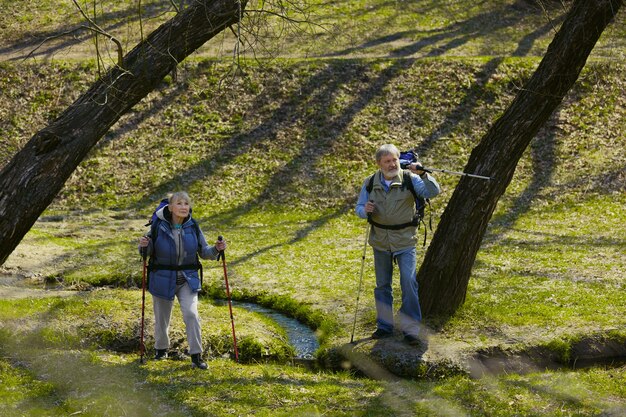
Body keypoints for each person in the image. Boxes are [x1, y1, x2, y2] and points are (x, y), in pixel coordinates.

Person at [355, 144, 441, 346]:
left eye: (394, 160)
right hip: (380, 241)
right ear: (379, 164)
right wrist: (364, 209)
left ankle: (411, 330)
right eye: (387, 161)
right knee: (382, 286)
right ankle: (384, 327)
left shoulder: (411, 179)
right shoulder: (370, 183)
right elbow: (359, 208)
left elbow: (433, 192)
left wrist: (425, 175)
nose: (392, 164)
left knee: (408, 283)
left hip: (405, 240)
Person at [138, 191, 225, 369]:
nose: (184, 207)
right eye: (179, 203)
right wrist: (143, 247)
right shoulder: (157, 226)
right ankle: (161, 351)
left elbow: (204, 252)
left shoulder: (193, 226)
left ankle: (196, 356)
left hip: (187, 278)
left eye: (186, 204)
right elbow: (146, 254)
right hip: (162, 277)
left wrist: (216, 249)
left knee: (192, 314)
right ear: (170, 207)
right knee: (162, 318)